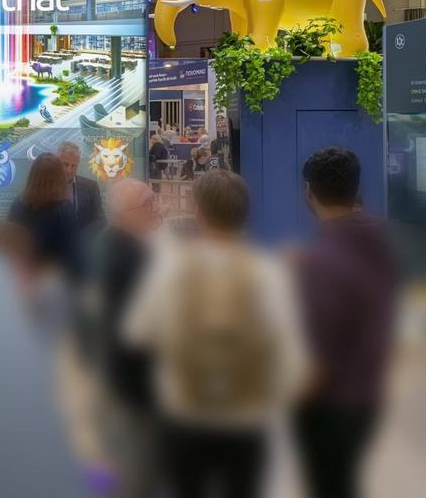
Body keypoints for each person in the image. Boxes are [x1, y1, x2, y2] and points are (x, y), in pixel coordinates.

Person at [122, 170, 307, 498]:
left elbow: (138, 333)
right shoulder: (268, 273)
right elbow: (293, 360)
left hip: (186, 418)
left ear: (199, 213)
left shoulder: (171, 268)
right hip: (245, 421)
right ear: (245, 214)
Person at [294, 148, 398, 498]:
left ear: (308, 191)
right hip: (368, 394)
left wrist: (289, 400)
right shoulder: (381, 237)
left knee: (330, 485)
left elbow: (320, 365)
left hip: (333, 407)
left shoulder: (321, 260)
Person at [93, 179, 162, 498]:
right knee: (135, 476)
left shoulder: (112, 245)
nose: (157, 209)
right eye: (148, 204)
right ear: (126, 214)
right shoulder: (129, 258)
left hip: (120, 385)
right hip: (133, 390)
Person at [7, 153, 82, 284]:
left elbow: (10, 244)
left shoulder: (18, 203)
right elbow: (73, 254)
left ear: (33, 175)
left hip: (24, 279)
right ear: (59, 177)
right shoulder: (64, 208)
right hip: (54, 281)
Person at [57, 141, 104, 235]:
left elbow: (100, 219)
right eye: (65, 164)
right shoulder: (45, 186)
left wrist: (81, 238)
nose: (69, 170)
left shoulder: (91, 187)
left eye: (73, 166)